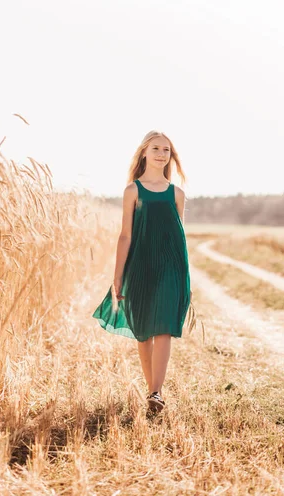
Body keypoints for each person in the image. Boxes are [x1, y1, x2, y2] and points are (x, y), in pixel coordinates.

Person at [92, 130, 194, 413]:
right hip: (139, 266)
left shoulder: (177, 193)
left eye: (167, 150)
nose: (162, 154)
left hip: (171, 268)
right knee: (144, 332)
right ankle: (153, 392)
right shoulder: (132, 191)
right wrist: (118, 275)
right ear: (144, 153)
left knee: (163, 328)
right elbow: (125, 236)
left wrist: (185, 275)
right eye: (157, 149)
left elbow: (179, 235)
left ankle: (156, 392)